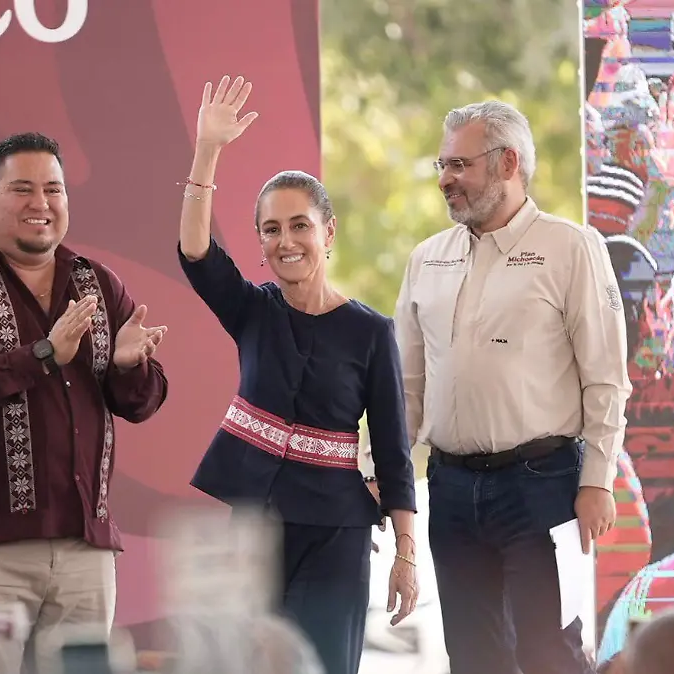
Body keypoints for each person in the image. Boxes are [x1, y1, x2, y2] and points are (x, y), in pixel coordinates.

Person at [0, 132, 169, 674]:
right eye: (22, 189)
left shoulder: (97, 283)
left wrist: (127, 365)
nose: (40, 204)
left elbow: (139, 403)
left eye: (53, 189)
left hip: (84, 548)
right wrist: (45, 354)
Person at [176, 75, 418, 674]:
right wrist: (208, 151)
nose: (287, 241)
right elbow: (195, 251)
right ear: (259, 242)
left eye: (300, 225)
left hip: (336, 534)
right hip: (253, 531)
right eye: (271, 229)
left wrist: (406, 557)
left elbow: (393, 453)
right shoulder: (252, 309)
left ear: (327, 232)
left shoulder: (370, 331)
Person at [393, 100, 631, 674]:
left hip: (543, 488)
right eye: (441, 165)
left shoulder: (572, 248)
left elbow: (606, 378)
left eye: (459, 165)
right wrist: (388, 476)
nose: (446, 180)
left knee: (550, 655)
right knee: (473, 659)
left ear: (507, 163)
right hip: (448, 489)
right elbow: (406, 386)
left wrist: (597, 482)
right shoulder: (427, 258)